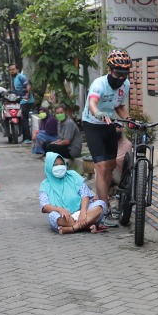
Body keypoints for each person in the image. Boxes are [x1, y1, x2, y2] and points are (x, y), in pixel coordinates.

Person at [84, 50, 132, 222]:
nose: (121, 78)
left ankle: (102, 197)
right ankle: (105, 208)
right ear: (110, 70)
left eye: (124, 74)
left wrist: (129, 119)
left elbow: (119, 106)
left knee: (110, 166)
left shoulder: (125, 85)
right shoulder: (99, 84)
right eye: (118, 74)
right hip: (93, 125)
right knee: (102, 168)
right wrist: (98, 113)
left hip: (109, 124)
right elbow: (92, 103)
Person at [39, 152, 106, 234]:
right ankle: (87, 226)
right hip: (65, 217)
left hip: (83, 212)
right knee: (53, 216)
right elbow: (45, 206)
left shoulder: (73, 175)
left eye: (61, 164)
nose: (59, 167)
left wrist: (83, 213)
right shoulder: (45, 184)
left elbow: (84, 194)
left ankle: (73, 228)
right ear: (49, 167)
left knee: (101, 204)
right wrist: (60, 210)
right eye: (55, 165)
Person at [9, 63, 32, 142]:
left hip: (26, 101)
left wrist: (27, 95)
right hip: (20, 101)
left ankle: (27, 138)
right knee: (21, 118)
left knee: (24, 118)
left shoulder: (21, 77)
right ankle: (25, 137)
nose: (12, 71)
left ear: (17, 69)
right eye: (10, 70)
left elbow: (28, 85)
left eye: (13, 69)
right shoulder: (14, 78)